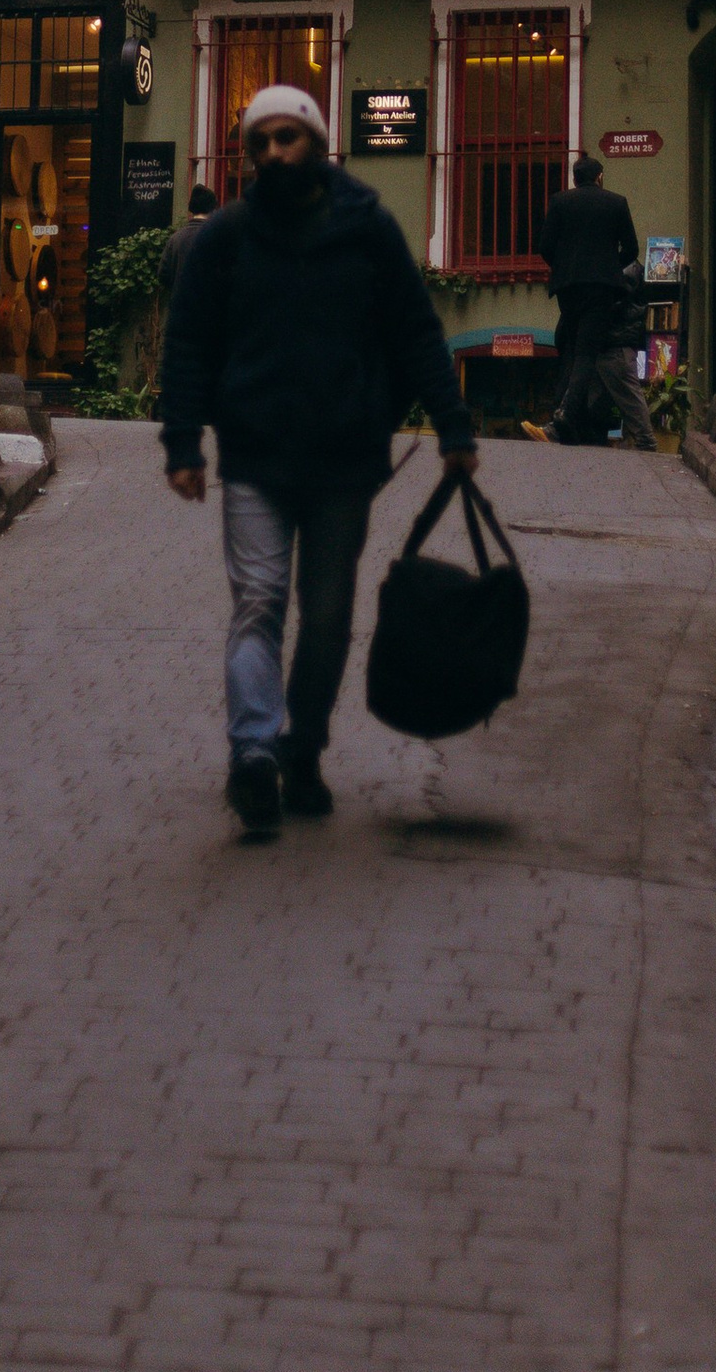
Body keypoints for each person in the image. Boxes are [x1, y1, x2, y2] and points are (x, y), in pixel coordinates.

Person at [160, 83, 478, 838]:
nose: (273, 152)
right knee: (260, 601)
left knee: (329, 618)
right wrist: (182, 442)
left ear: (316, 141)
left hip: (344, 460)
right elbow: (190, 342)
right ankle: (254, 757)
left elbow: (415, 330)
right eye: (259, 142)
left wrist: (453, 427)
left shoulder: (367, 227)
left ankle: (303, 750)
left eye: (287, 137)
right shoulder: (226, 238)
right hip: (254, 456)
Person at [533, 153, 653, 449]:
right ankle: (564, 418)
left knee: (573, 347)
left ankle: (564, 419)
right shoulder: (616, 202)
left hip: (568, 286)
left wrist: (563, 268)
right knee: (586, 352)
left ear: (575, 178)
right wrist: (610, 268)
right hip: (601, 288)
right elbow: (632, 247)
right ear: (599, 176)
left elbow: (545, 246)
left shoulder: (559, 201)